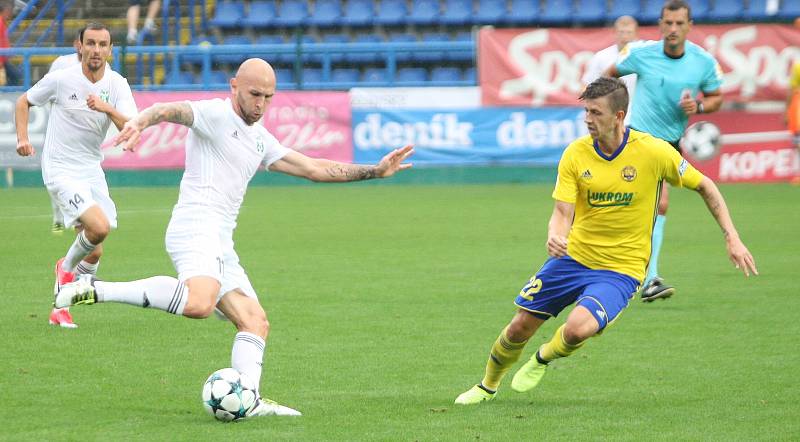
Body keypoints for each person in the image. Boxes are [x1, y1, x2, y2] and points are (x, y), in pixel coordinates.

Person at [54, 58, 415, 417]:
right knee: (199, 303)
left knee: (255, 321)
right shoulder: (214, 115)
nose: (260, 104)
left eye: (268, 97)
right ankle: (93, 288)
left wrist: (376, 171)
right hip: (195, 226)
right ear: (234, 87)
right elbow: (170, 110)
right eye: (254, 93)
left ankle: (250, 399)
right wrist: (140, 121)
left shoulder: (260, 139)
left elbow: (314, 168)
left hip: (221, 240)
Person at [454, 77, 757, 406]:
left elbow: (706, 186)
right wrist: (555, 234)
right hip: (572, 258)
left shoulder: (654, 152)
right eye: (585, 111)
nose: (587, 119)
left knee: (576, 330)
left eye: (595, 112)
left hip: (621, 269)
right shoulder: (576, 154)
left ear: (619, 116)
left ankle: (542, 358)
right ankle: (487, 386)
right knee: (517, 329)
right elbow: (561, 211)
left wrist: (733, 237)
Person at [15, 22, 137, 328]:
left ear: (110, 50)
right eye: (91, 43)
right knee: (98, 226)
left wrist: (107, 108)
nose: (96, 50)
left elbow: (130, 127)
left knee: (95, 250)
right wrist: (22, 138)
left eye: (102, 44)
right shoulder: (61, 79)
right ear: (78, 46)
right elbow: (23, 101)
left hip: (90, 168)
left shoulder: (117, 84)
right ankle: (65, 270)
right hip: (60, 167)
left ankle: (64, 305)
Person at [605, 0, 724, 302]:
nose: (673, 29)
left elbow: (715, 97)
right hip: (641, 139)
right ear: (660, 25)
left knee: (637, 205)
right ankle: (649, 278)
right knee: (660, 203)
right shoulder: (642, 55)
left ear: (689, 26)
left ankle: (620, 265)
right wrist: (614, 114)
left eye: (679, 24)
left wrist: (697, 106)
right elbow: (609, 76)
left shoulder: (702, 62)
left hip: (672, 142)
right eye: (668, 23)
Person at [581, 15, 639, 125]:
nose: (625, 36)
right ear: (615, 33)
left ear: (636, 34)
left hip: (638, 120)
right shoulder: (601, 57)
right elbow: (586, 86)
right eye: (621, 32)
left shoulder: (643, 57)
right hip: (609, 120)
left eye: (629, 32)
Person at [786, 60, 800, 185]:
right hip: (797, 109)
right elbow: (792, 90)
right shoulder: (797, 66)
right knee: (798, 142)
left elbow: (791, 90)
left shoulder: (797, 66)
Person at [0, 0, 20, 86]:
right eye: (9, 11)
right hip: (2, 58)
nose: (10, 14)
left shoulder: (2, 22)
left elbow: (3, 40)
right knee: (15, 76)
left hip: (3, 58)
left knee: (14, 76)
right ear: (5, 11)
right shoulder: (0, 23)